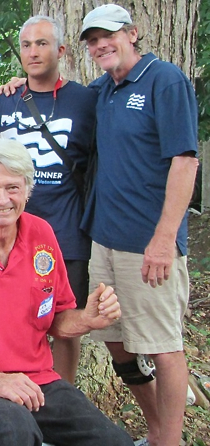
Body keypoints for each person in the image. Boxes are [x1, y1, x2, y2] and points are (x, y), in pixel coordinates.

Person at [0, 135, 134, 446]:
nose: (1, 200)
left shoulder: (41, 234)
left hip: (35, 379)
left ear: (28, 191)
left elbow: (57, 316)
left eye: (12, 188)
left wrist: (87, 319)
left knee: (113, 442)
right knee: (14, 431)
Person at [79, 5, 199, 446]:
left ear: (132, 33)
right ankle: (155, 430)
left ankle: (170, 440)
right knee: (115, 341)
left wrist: (164, 240)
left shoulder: (164, 80)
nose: (99, 46)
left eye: (107, 36)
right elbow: (61, 94)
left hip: (148, 244)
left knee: (163, 346)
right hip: (104, 242)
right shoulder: (105, 89)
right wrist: (17, 86)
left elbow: (185, 162)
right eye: (91, 41)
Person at [0, 15, 97, 384]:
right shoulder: (2, 103)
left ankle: (63, 396)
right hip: (8, 238)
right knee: (9, 319)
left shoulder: (85, 101)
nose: (33, 52)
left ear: (61, 50)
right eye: (27, 45)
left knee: (65, 323)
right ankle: (14, 393)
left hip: (67, 235)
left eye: (42, 44)